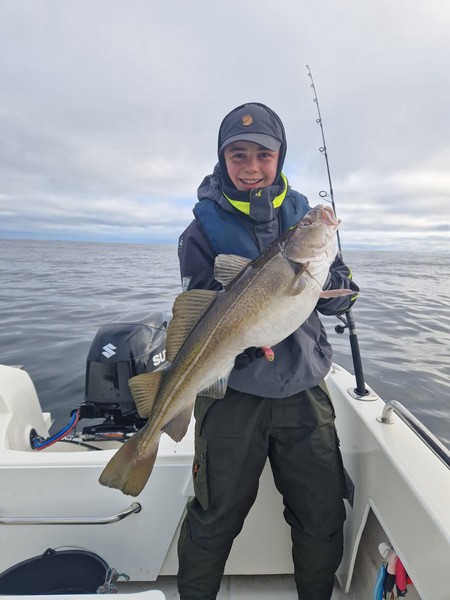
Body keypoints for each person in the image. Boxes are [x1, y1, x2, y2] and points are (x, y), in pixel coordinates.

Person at [176, 102, 359, 600]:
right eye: (238, 155)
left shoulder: (304, 220)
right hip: (233, 392)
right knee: (214, 517)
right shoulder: (200, 231)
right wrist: (248, 345)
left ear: (280, 157)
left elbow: (330, 289)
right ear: (223, 159)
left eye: (263, 154)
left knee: (321, 513)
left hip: (303, 385)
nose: (252, 166)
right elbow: (200, 308)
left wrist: (341, 288)